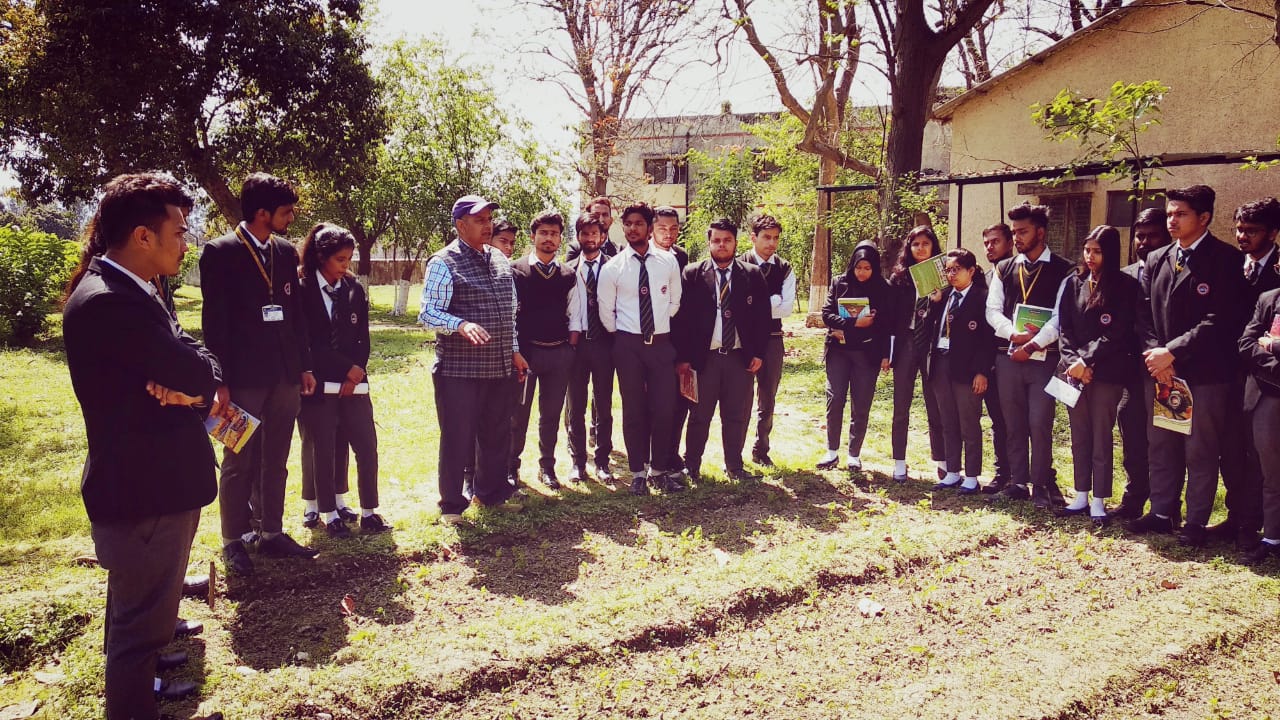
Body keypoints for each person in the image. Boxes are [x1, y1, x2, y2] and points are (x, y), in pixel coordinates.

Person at [64, 173, 222, 719]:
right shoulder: (111, 302)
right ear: (143, 236)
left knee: (138, 619)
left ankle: (143, 695)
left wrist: (195, 381)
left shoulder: (135, 289)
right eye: (179, 230)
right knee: (139, 632)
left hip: (146, 487)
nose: (187, 240)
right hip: (144, 493)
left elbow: (200, 362)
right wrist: (195, 381)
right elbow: (197, 370)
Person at [200, 173, 316, 575]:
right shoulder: (220, 252)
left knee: (276, 457)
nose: (292, 217)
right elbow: (214, 322)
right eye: (286, 211)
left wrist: (304, 366)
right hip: (242, 377)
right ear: (262, 213)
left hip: (284, 375)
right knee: (238, 459)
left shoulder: (285, 252)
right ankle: (234, 540)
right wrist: (219, 381)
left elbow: (296, 315)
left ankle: (271, 532)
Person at [1131, 185, 1249, 546]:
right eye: (1169, 213)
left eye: (1180, 214)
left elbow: (1222, 320)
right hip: (1161, 373)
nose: (1172, 220)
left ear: (1204, 218)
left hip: (1205, 374)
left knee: (1200, 449)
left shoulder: (1225, 259)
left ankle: (1196, 520)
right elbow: (1143, 315)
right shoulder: (1157, 258)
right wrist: (1156, 356)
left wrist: (1174, 352)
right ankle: (1162, 512)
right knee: (1162, 444)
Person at [419, 194, 528, 525]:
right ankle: (452, 506)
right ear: (460, 225)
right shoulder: (443, 262)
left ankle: (490, 495)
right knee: (457, 437)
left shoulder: (498, 259)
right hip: (458, 370)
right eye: (479, 220)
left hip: (498, 367)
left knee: (496, 434)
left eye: (488, 219)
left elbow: (508, 312)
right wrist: (460, 324)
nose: (487, 225)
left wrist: (513, 351)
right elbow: (428, 313)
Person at [296, 223, 390, 537]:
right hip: (319, 383)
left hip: (354, 383)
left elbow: (362, 336)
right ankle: (326, 511)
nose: (345, 266)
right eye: (339, 259)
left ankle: (368, 511)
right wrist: (342, 367)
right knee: (322, 446)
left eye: (348, 259)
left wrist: (357, 370)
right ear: (322, 257)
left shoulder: (352, 288)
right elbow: (306, 341)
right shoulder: (301, 287)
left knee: (365, 445)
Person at [985, 202, 1073, 507]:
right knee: (1013, 422)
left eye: (1022, 231)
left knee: (1040, 422)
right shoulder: (1004, 268)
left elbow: (1062, 316)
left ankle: (1041, 485)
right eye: (1014, 232)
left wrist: (1033, 345)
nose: (1017, 238)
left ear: (1041, 232)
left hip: (1044, 359)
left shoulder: (1064, 269)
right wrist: (1013, 335)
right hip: (1009, 356)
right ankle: (1018, 482)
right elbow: (992, 310)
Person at [1055, 225, 1141, 527]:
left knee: (1101, 436)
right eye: (1087, 250)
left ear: (1110, 253)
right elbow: (1064, 328)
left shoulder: (1125, 287)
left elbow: (1117, 333)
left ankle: (1099, 500)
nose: (1090, 257)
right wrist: (1073, 361)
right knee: (1079, 433)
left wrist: (1087, 361)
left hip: (1106, 372)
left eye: (1097, 251)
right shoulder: (1073, 282)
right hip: (1073, 372)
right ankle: (1080, 494)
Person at [597, 201, 684, 494]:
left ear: (649, 228)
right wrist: (630, 335)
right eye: (628, 224)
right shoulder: (612, 268)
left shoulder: (668, 262)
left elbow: (674, 303)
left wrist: (655, 328)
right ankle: (637, 472)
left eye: (638, 223)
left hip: (661, 344)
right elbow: (606, 314)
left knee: (663, 408)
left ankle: (659, 470)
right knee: (634, 410)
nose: (633, 228)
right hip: (628, 345)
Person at [674, 218, 770, 482]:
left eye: (727, 240)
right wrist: (683, 358)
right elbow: (682, 321)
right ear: (709, 243)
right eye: (716, 240)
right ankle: (691, 465)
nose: (722, 245)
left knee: (735, 416)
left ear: (736, 243)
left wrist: (759, 353)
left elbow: (763, 318)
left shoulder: (751, 275)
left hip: (739, 358)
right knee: (699, 416)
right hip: (705, 359)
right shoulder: (692, 274)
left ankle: (734, 467)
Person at [1212, 197, 1280, 550]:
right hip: (1228, 372)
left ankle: (1261, 525)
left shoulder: (1277, 274)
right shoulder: (1230, 266)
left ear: (1272, 232)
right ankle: (1237, 515)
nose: (1242, 236)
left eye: (1251, 231)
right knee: (1231, 448)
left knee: (1262, 455)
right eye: (1238, 229)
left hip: (1269, 382)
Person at [509, 211, 580, 489]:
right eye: (543, 233)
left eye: (554, 234)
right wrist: (516, 351)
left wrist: (569, 350)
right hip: (526, 355)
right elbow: (510, 315)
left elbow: (576, 314)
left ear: (561, 239)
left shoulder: (568, 274)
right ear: (533, 236)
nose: (548, 238)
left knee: (550, 415)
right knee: (518, 415)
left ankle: (547, 467)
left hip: (558, 354)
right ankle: (511, 468)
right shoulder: (516, 270)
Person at [1112, 208, 1171, 519]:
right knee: (1132, 432)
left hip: (1167, 371)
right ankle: (1135, 496)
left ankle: (1167, 507)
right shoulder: (1126, 276)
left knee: (1164, 440)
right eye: (1140, 236)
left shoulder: (1174, 271)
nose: (1145, 242)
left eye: (1153, 236)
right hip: (1132, 373)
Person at [922, 247, 995, 494]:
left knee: (968, 421)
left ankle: (972, 476)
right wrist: (933, 305)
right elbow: (931, 328)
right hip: (941, 363)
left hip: (967, 368)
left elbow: (987, 339)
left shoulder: (982, 298)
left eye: (956, 270)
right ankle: (952, 471)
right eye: (948, 270)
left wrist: (982, 371)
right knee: (947, 419)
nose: (951, 275)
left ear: (971, 271)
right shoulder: (943, 296)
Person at [818, 243, 893, 472]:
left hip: (867, 355)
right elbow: (827, 314)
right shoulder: (840, 283)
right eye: (859, 267)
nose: (862, 272)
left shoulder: (883, 288)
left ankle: (854, 454)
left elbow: (886, 324)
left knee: (861, 404)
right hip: (839, 352)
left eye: (867, 268)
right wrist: (854, 324)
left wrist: (885, 356)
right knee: (835, 398)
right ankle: (831, 451)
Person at [887, 226, 947, 481]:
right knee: (901, 404)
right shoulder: (899, 278)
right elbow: (890, 320)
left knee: (935, 404)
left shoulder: (945, 276)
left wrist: (938, 301)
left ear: (933, 246)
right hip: (907, 343)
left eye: (925, 243)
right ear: (908, 248)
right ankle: (899, 460)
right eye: (915, 244)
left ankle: (942, 460)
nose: (920, 248)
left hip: (932, 344)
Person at [564, 212, 617, 484]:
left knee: (604, 405)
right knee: (576, 406)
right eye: (584, 233)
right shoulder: (568, 269)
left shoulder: (614, 267)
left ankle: (603, 461)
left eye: (594, 233)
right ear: (579, 237)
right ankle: (577, 462)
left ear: (602, 236)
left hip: (606, 344)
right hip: (578, 343)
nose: (589, 238)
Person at [741, 214, 796, 467]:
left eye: (775, 238)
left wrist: (755, 303)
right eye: (766, 237)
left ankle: (761, 449)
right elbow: (735, 305)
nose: (771, 243)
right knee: (740, 398)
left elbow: (785, 309)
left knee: (768, 398)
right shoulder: (739, 264)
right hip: (742, 340)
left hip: (773, 340)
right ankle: (734, 454)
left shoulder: (784, 268)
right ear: (753, 237)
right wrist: (770, 300)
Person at [1239, 266, 1280, 563]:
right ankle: (1272, 538)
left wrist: (1274, 344)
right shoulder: (1268, 299)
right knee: (1270, 472)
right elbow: (1247, 344)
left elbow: (1265, 344)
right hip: (1268, 394)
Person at [652, 206, 691, 475]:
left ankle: (671, 454)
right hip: (650, 342)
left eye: (674, 228)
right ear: (653, 229)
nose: (669, 234)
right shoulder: (643, 257)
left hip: (677, 340)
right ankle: (649, 459)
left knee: (678, 403)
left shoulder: (682, 257)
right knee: (651, 404)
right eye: (663, 228)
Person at [977, 223, 1014, 492]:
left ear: (1010, 242)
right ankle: (1003, 472)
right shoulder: (985, 280)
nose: (990, 247)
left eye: (996, 242)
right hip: (990, 360)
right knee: (998, 419)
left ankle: (1040, 476)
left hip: (1024, 355)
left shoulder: (1021, 273)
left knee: (1028, 421)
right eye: (987, 242)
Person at [566, 196, 619, 261]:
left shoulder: (619, 251)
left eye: (605, 215)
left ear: (611, 221)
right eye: (596, 215)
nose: (601, 219)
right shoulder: (575, 249)